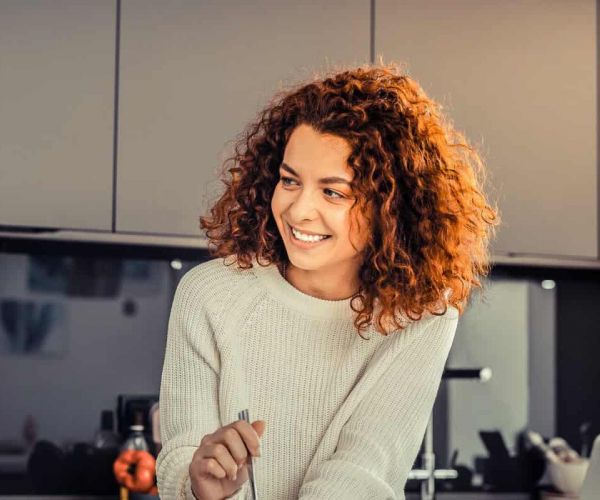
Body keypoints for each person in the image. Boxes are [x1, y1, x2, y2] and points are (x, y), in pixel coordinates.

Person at [156, 65, 498, 499]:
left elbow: (362, 471)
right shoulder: (209, 295)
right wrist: (202, 484)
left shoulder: (421, 314)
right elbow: (180, 459)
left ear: (390, 207)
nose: (299, 210)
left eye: (333, 192)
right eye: (289, 181)